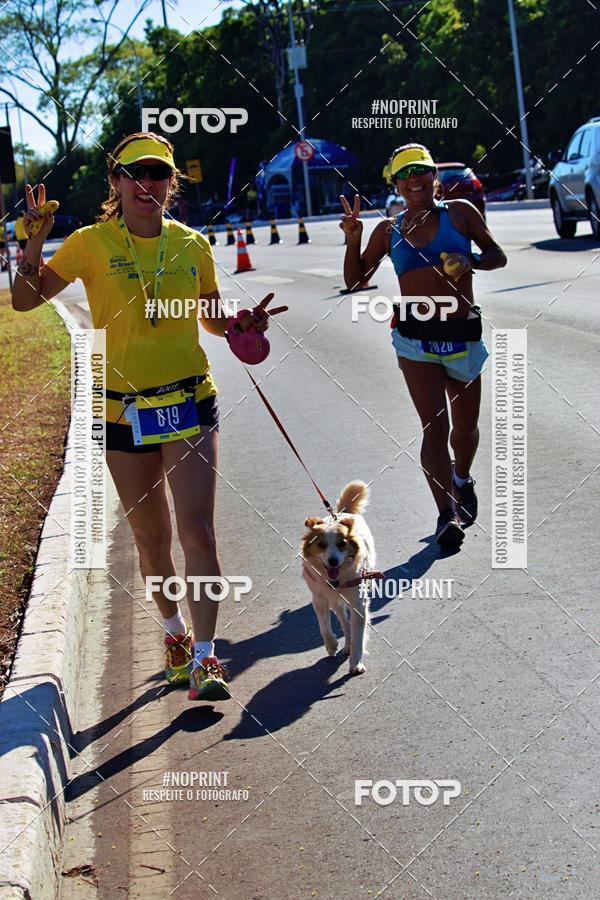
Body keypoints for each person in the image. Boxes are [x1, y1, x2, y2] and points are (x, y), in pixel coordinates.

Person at [11, 131, 286, 700]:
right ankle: (174, 636)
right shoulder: (88, 243)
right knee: (152, 538)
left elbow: (210, 316)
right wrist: (32, 247)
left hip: (188, 401)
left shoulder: (192, 245)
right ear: (115, 182)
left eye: (159, 173)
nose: (147, 183)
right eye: (134, 172)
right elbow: (24, 299)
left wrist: (238, 322)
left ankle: (208, 658)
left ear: (171, 184)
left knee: (198, 533)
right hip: (121, 411)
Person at [341, 143, 506, 549]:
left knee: (465, 431)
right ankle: (446, 515)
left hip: (463, 335)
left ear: (434, 176)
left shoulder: (462, 213)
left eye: (421, 171)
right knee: (436, 428)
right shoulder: (389, 230)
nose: (413, 180)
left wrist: (473, 263)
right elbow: (354, 281)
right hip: (415, 341)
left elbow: (497, 255)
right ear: (395, 184)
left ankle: (461, 479)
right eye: (404, 174)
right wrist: (353, 238)